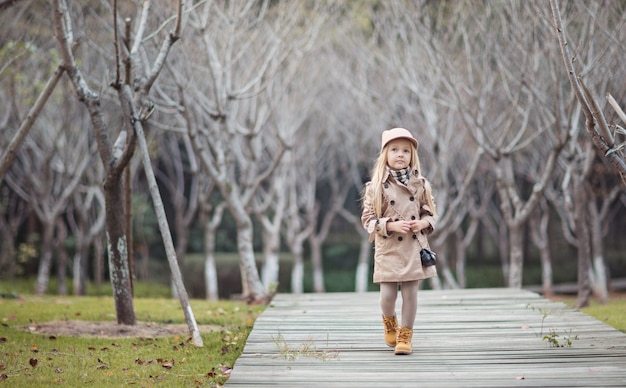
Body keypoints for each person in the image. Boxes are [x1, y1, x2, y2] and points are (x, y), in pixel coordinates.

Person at [361, 127, 438, 355]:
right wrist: (391, 225)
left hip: (414, 246)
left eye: (405, 150)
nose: (400, 154)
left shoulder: (420, 184)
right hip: (388, 248)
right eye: (394, 149)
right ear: (385, 153)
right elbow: (367, 220)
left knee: (411, 294)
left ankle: (406, 335)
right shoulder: (374, 187)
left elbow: (431, 213)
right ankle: (389, 320)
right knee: (387, 296)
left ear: (412, 155)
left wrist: (422, 224)